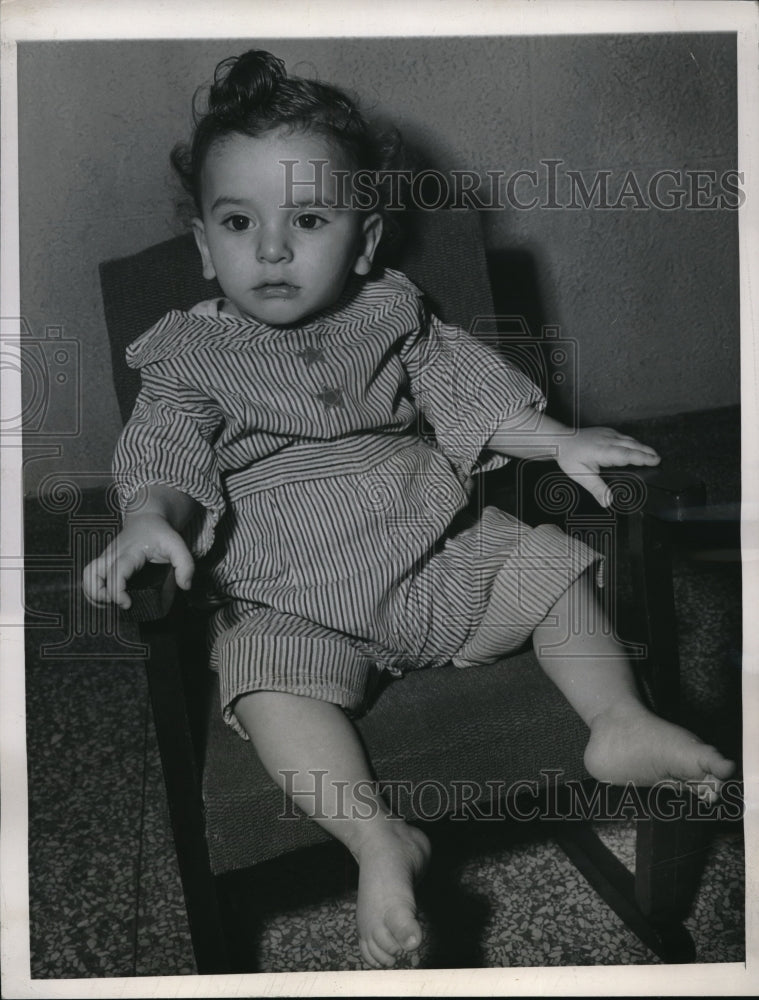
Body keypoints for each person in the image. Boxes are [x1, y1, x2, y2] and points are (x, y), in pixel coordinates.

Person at [83, 49, 735, 970]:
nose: (270, 249)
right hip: (297, 598)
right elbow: (168, 448)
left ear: (365, 238)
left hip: (439, 552)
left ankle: (614, 721)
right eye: (238, 222)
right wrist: (151, 515)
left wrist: (557, 442)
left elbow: (467, 389)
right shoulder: (189, 357)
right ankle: (375, 837)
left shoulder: (394, 311)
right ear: (202, 244)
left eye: (307, 219)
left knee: (547, 564)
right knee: (262, 676)